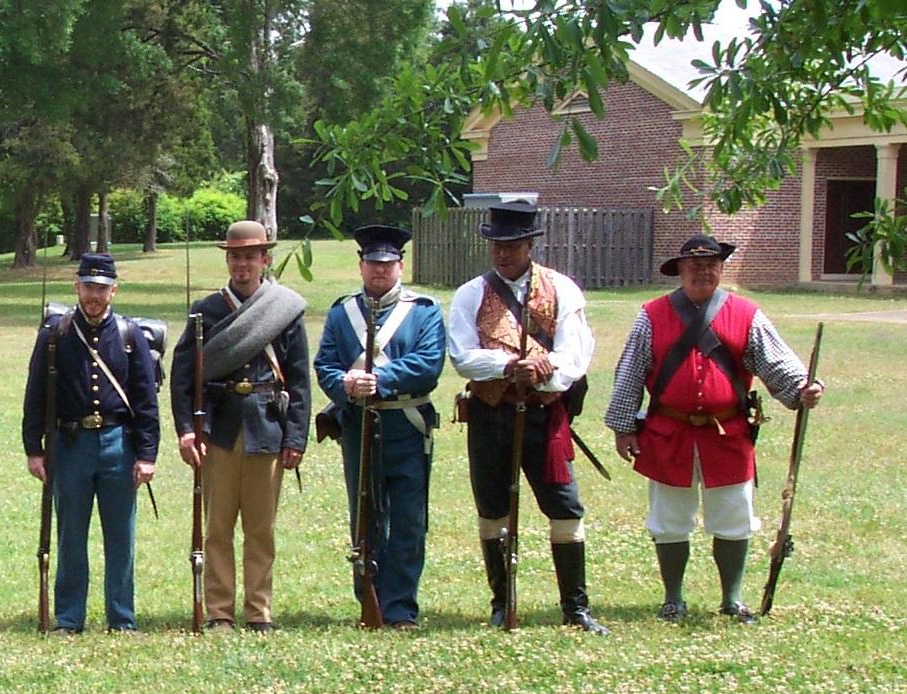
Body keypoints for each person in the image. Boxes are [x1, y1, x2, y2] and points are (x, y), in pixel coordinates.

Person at [601, 235, 824, 624]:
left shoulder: (747, 314)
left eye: (710, 265)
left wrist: (803, 387)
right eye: (694, 266)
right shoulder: (651, 315)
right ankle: (673, 598)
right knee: (669, 520)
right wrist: (624, 427)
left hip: (728, 433)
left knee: (734, 517)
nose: (702, 272)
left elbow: (776, 362)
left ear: (721, 269)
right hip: (669, 432)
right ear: (680, 270)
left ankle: (732, 599)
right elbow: (631, 371)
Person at [445, 201, 608, 634]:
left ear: (530, 245)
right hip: (490, 414)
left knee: (565, 506)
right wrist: (506, 366)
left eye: (513, 246)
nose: (504, 254)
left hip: (544, 414)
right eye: (497, 246)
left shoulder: (562, 289)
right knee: (493, 508)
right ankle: (502, 602)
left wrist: (543, 371)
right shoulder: (470, 294)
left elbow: (576, 354)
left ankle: (576, 608)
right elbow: (461, 356)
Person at [170, 221, 310, 632]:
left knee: (261, 529)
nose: (241, 264)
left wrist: (296, 437)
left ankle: (258, 611)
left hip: (267, 426)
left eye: (250, 256)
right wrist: (187, 429)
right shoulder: (206, 310)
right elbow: (183, 377)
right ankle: (219, 611)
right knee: (217, 527)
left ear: (265, 259)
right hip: (219, 428)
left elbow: (299, 379)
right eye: (235, 257)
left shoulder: (284, 309)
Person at [313, 225, 446, 629]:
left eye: (387, 264)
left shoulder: (423, 311)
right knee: (365, 515)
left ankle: (400, 606)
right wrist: (345, 384)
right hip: (358, 424)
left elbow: (429, 364)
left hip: (406, 424)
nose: (380, 271)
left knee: (408, 519)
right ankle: (368, 598)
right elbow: (325, 363)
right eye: (373, 263)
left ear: (400, 265)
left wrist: (380, 380)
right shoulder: (342, 313)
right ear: (361, 265)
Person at [22, 253, 160, 634]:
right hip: (70, 445)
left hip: (119, 443)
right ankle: (69, 618)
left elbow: (146, 399)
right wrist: (34, 448)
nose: (94, 296)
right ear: (76, 287)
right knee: (70, 537)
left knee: (121, 537)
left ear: (114, 290)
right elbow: (35, 394)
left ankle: (122, 617)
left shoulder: (130, 336)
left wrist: (147, 454)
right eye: (88, 287)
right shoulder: (55, 335)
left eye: (101, 288)